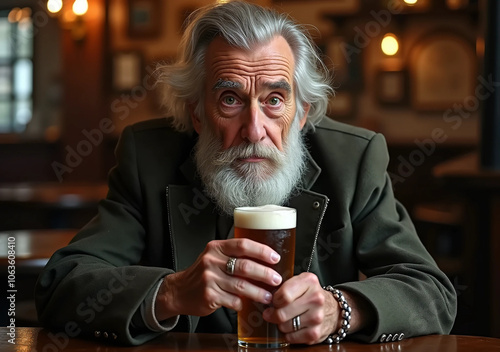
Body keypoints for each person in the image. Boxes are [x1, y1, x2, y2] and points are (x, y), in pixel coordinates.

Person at [35, 0, 457, 346]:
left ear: (301, 113)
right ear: (197, 113)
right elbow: (61, 285)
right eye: (231, 99)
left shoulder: (355, 160)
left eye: (275, 99)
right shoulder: (148, 158)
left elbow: (431, 293)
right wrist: (171, 292)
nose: (254, 130)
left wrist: (341, 309)